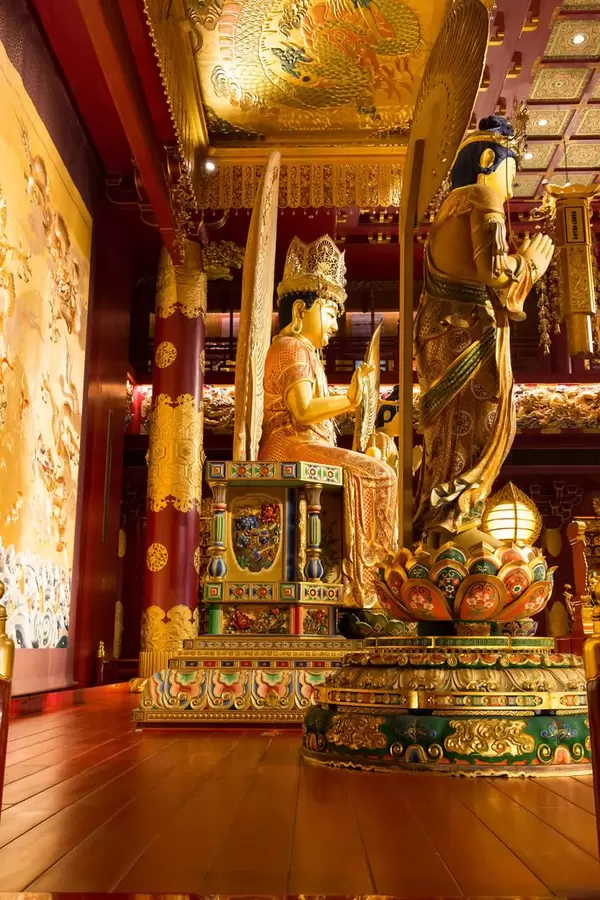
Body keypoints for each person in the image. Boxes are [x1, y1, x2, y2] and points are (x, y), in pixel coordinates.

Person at [413, 115, 554, 541]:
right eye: (513, 170)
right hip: (466, 338)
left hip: (448, 335)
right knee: (473, 429)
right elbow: (493, 269)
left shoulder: (448, 209)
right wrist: (531, 264)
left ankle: (443, 520)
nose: (512, 186)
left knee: (452, 435)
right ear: (489, 159)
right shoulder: (481, 194)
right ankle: (453, 522)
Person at [258, 234, 397, 606]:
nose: (336, 325)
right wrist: (349, 401)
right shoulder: (290, 347)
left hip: (306, 444)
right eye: (331, 313)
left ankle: (358, 578)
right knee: (377, 474)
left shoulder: (305, 352)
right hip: (290, 444)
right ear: (301, 310)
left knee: (379, 459)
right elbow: (303, 410)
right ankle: (368, 586)